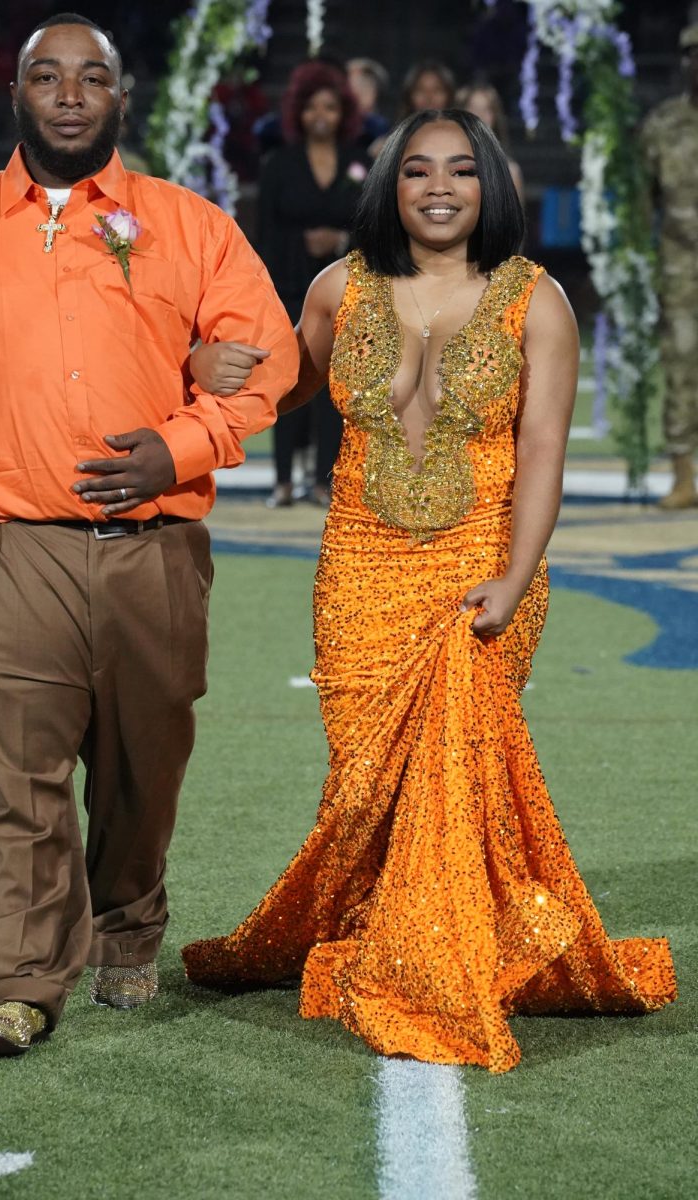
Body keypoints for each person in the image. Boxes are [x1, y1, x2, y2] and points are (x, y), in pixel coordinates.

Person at [183, 109, 677, 1072]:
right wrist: (200, 367)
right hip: (358, 572)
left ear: (491, 186)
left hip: (481, 568)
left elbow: (543, 456)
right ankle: (389, 931)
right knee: (368, 788)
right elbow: (271, 391)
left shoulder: (539, 303)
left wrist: (517, 573)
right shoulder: (336, 289)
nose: (440, 187)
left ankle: (436, 959)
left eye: (461, 171)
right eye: (418, 171)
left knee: (454, 777)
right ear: (391, 188)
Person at [0, 11, 297, 1057]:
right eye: (46, 75)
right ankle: (15, 981)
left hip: (154, 551)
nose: (69, 92)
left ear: (121, 99)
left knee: (139, 768)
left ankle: (127, 925)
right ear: (16, 95)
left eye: (91, 77)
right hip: (0, 548)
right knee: (14, 778)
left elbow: (267, 355)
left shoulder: (190, 224)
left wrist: (184, 442)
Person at [257, 62, 367, 506]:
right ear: (298, 112)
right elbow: (264, 231)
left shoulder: (361, 163)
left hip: (346, 290)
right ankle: (282, 480)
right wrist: (302, 240)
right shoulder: (278, 164)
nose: (321, 115)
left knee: (336, 390)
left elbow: (371, 224)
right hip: (289, 285)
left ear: (344, 113)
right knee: (286, 379)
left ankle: (324, 481)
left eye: (331, 107)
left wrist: (340, 239)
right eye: (313, 107)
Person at [641, 23, 698, 509]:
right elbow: (642, 202)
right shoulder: (663, 124)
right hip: (681, 269)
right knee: (681, 366)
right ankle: (684, 474)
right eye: (693, 55)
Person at [456, 82, 524, 203]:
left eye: (487, 109)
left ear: (495, 117)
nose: (480, 115)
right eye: (474, 108)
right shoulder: (444, 164)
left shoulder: (509, 171)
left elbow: (514, 220)